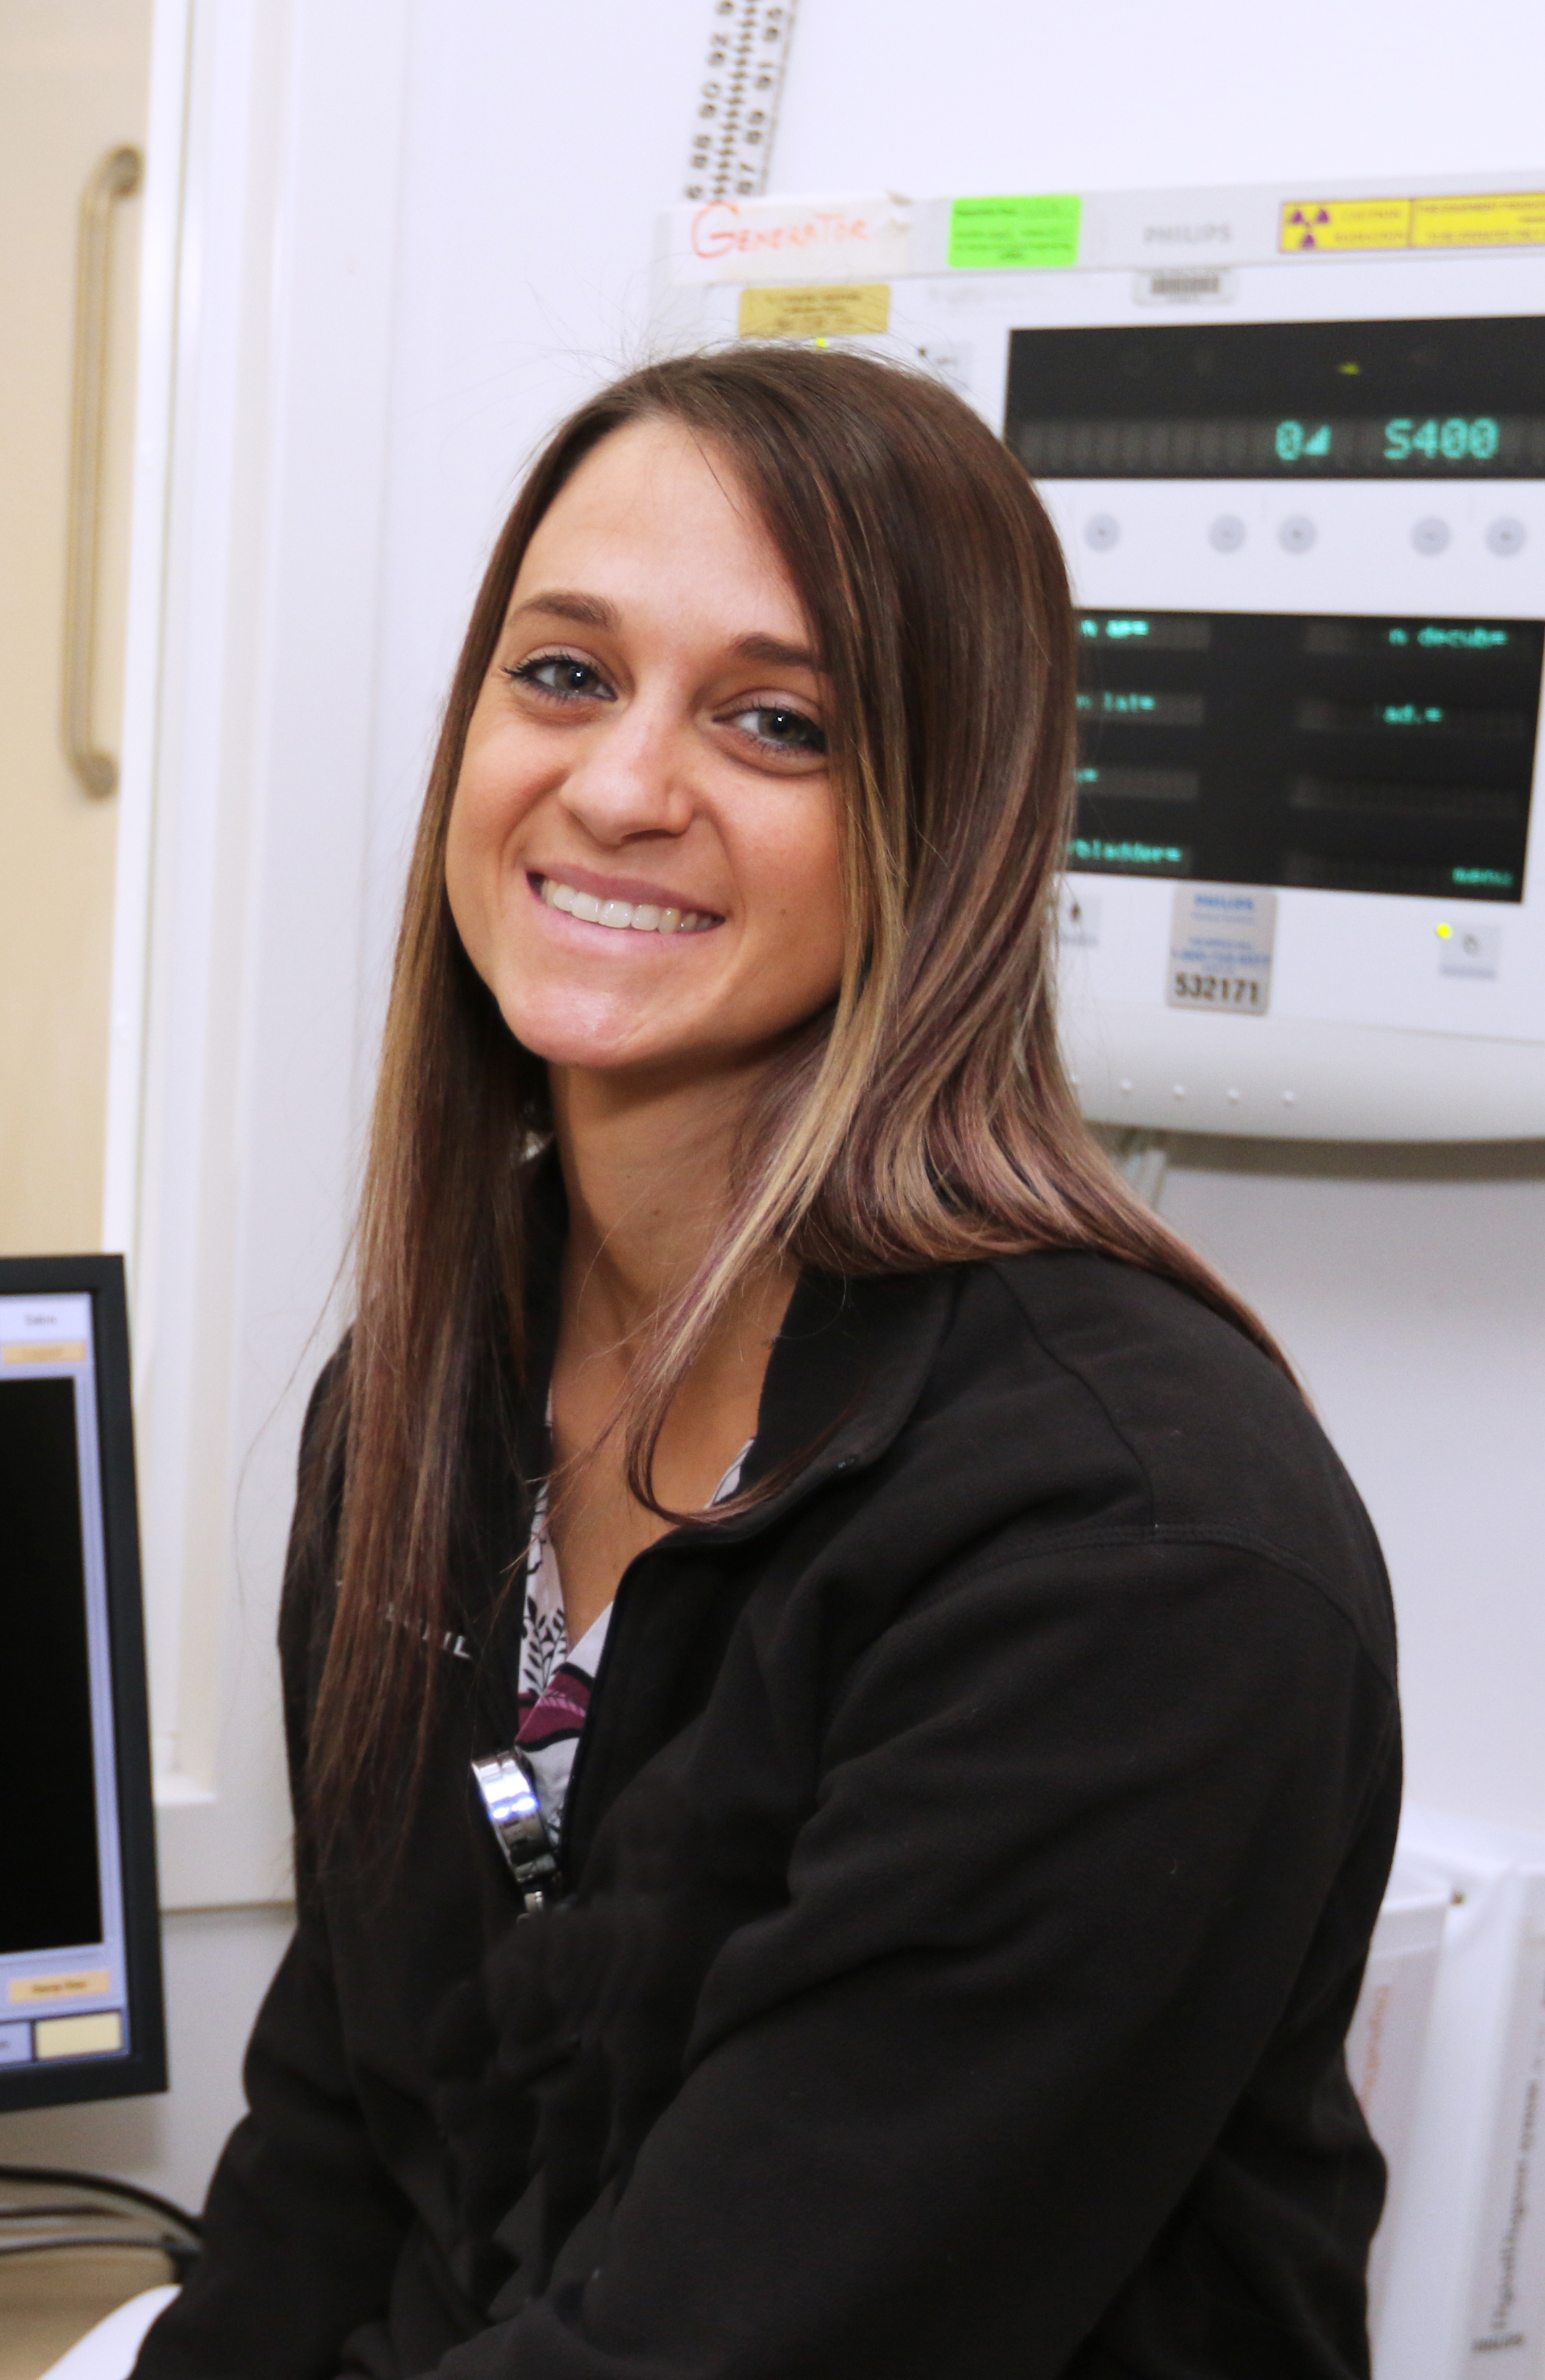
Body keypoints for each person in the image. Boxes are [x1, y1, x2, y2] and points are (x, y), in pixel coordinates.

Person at [128, 346, 1399, 2378]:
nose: (622, 784)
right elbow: (336, 2165)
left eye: (774, 720)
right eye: (562, 673)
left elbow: (731, 2347)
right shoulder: (424, 1404)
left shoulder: (1132, 1549)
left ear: (951, 820)